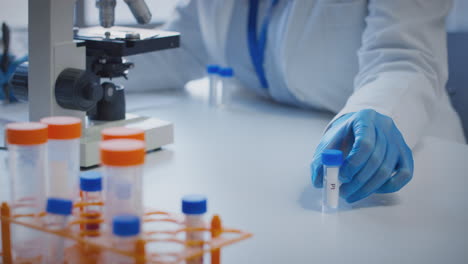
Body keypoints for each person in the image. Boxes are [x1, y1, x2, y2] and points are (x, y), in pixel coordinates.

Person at [3, 0, 466, 203]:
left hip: (408, 159)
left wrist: (380, 114)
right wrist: (46, 68)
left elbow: (404, 61)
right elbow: (187, 46)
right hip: (267, 149)